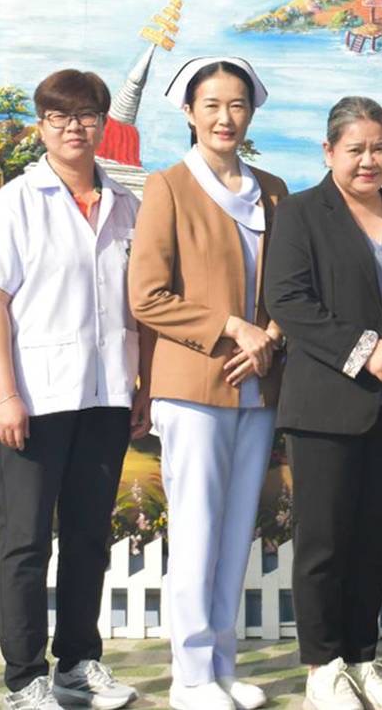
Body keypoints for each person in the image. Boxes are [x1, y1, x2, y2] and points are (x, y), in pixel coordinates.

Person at [0, 70, 146, 710]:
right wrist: (5, 394)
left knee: (90, 536)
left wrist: (143, 386)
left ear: (103, 124)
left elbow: (142, 304)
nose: (74, 127)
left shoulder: (126, 205)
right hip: (35, 399)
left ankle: (78, 662)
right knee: (26, 541)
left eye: (87, 115)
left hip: (107, 393)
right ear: (41, 125)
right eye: (59, 116)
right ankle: (24, 677)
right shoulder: (13, 203)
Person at [263, 97, 382, 710]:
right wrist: (364, 349)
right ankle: (322, 668)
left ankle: (362, 660)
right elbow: (288, 300)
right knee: (324, 542)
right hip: (325, 407)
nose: (369, 160)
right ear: (329, 151)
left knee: (371, 541)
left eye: (379, 148)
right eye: (355, 149)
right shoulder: (301, 213)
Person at [128, 56, 288, 710]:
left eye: (237, 104)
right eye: (212, 104)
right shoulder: (168, 186)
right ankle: (191, 675)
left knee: (234, 529)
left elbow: (287, 288)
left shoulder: (273, 190)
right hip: (192, 384)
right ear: (189, 111)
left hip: (258, 384)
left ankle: (222, 665)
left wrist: (269, 336)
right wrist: (231, 327)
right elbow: (146, 295)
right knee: (196, 529)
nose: (226, 117)